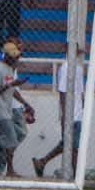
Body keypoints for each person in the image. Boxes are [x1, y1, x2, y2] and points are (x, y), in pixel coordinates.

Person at [33, 47, 85, 178]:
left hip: (78, 112)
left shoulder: (78, 69)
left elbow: (80, 91)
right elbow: (62, 93)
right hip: (70, 113)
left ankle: (42, 162)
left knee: (70, 145)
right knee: (73, 146)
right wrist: (64, 114)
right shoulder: (66, 68)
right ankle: (75, 176)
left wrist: (82, 106)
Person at [0, 40, 34, 177]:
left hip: (6, 109)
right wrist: (11, 84)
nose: (16, 58)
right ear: (6, 55)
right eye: (13, 56)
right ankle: (10, 170)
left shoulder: (9, 69)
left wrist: (26, 103)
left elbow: (13, 90)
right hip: (0, 109)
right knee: (11, 140)